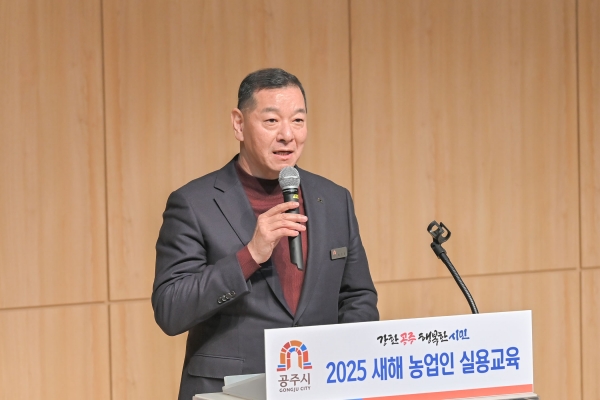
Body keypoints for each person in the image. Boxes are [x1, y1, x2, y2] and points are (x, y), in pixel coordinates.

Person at [152, 68, 378, 400]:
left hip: (318, 387)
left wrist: (343, 362)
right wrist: (250, 255)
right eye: (271, 121)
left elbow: (358, 297)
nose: (288, 135)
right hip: (229, 390)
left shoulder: (333, 199)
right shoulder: (194, 203)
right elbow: (170, 310)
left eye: (298, 121)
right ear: (239, 124)